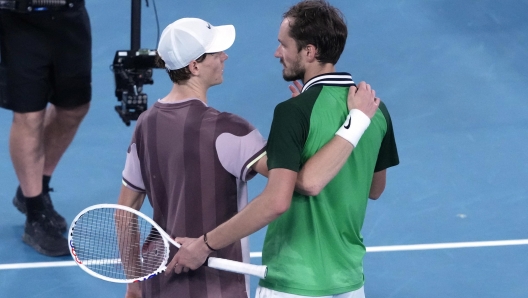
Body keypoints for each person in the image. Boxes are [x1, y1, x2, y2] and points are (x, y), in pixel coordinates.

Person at [117, 16, 379, 298]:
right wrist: (336, 124)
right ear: (194, 66)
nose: (224, 56)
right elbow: (301, 180)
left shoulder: (146, 124)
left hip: (159, 284)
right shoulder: (229, 130)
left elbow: (124, 212)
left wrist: (134, 281)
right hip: (218, 288)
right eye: (217, 53)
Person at [0, 0, 91, 256]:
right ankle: (35, 213)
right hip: (19, 20)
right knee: (29, 115)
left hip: (69, 15)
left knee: (74, 108)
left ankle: (36, 186)